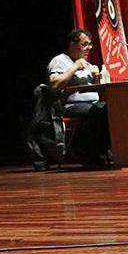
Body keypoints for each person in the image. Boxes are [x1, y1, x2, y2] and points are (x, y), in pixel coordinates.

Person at [47, 29, 110, 164]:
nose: (89, 48)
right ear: (72, 44)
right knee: (100, 112)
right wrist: (74, 67)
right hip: (70, 105)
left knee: (113, 110)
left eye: (90, 44)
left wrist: (96, 77)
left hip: (93, 103)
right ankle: (85, 152)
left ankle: (104, 151)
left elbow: (95, 89)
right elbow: (54, 84)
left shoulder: (85, 63)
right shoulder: (60, 61)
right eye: (84, 44)